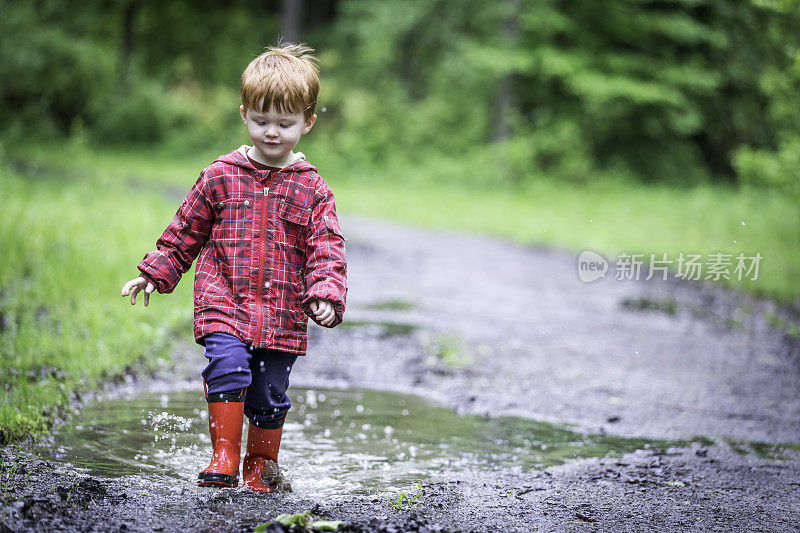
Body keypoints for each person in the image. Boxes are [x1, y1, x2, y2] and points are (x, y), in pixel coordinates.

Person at [120, 43, 347, 492]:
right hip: (222, 296)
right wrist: (153, 272)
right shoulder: (220, 175)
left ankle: (261, 463)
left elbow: (328, 246)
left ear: (308, 122)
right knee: (228, 367)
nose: (272, 133)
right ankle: (223, 454)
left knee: (268, 393)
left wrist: (324, 291)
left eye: (285, 124)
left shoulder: (313, 189)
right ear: (244, 115)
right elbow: (185, 230)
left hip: (281, 311)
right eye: (262, 121)